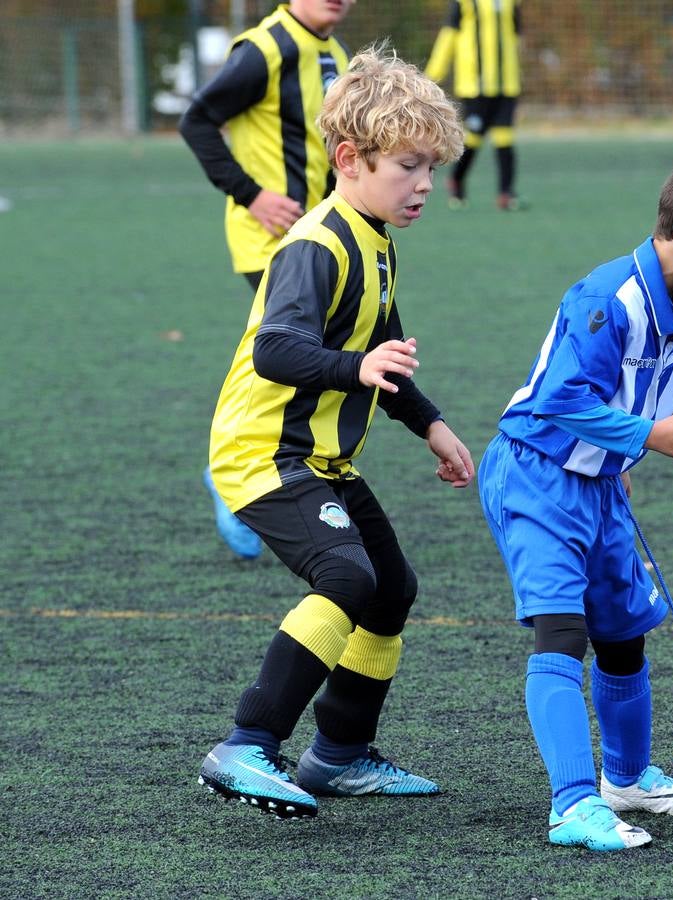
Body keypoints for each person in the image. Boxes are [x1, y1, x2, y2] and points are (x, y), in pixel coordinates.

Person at [197, 46, 471, 819]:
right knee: (347, 579)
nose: (423, 184)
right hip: (262, 453)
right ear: (350, 159)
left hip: (319, 457)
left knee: (391, 591)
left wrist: (432, 425)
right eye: (408, 167)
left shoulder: (375, 239)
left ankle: (339, 757)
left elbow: (383, 356)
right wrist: (356, 367)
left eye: (430, 167)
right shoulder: (317, 245)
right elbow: (276, 351)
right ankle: (246, 743)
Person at [478, 153, 673, 850]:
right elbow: (559, 399)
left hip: (597, 485)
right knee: (563, 634)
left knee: (622, 636)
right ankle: (572, 804)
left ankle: (625, 779)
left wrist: (622, 459)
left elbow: (624, 395)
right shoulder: (609, 297)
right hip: (536, 476)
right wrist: (649, 435)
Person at [180, 0, 354, 560]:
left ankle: (277, 478)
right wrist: (251, 194)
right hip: (271, 242)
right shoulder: (264, 50)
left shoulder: (335, 53)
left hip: (320, 238)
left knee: (314, 358)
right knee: (293, 357)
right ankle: (236, 481)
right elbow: (197, 120)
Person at [424, 0, 525, 211]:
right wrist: (432, 76)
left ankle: (506, 193)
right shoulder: (464, 3)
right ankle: (457, 182)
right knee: (473, 138)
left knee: (505, 137)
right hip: (474, 86)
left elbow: (516, 37)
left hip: (506, 84)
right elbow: (448, 37)